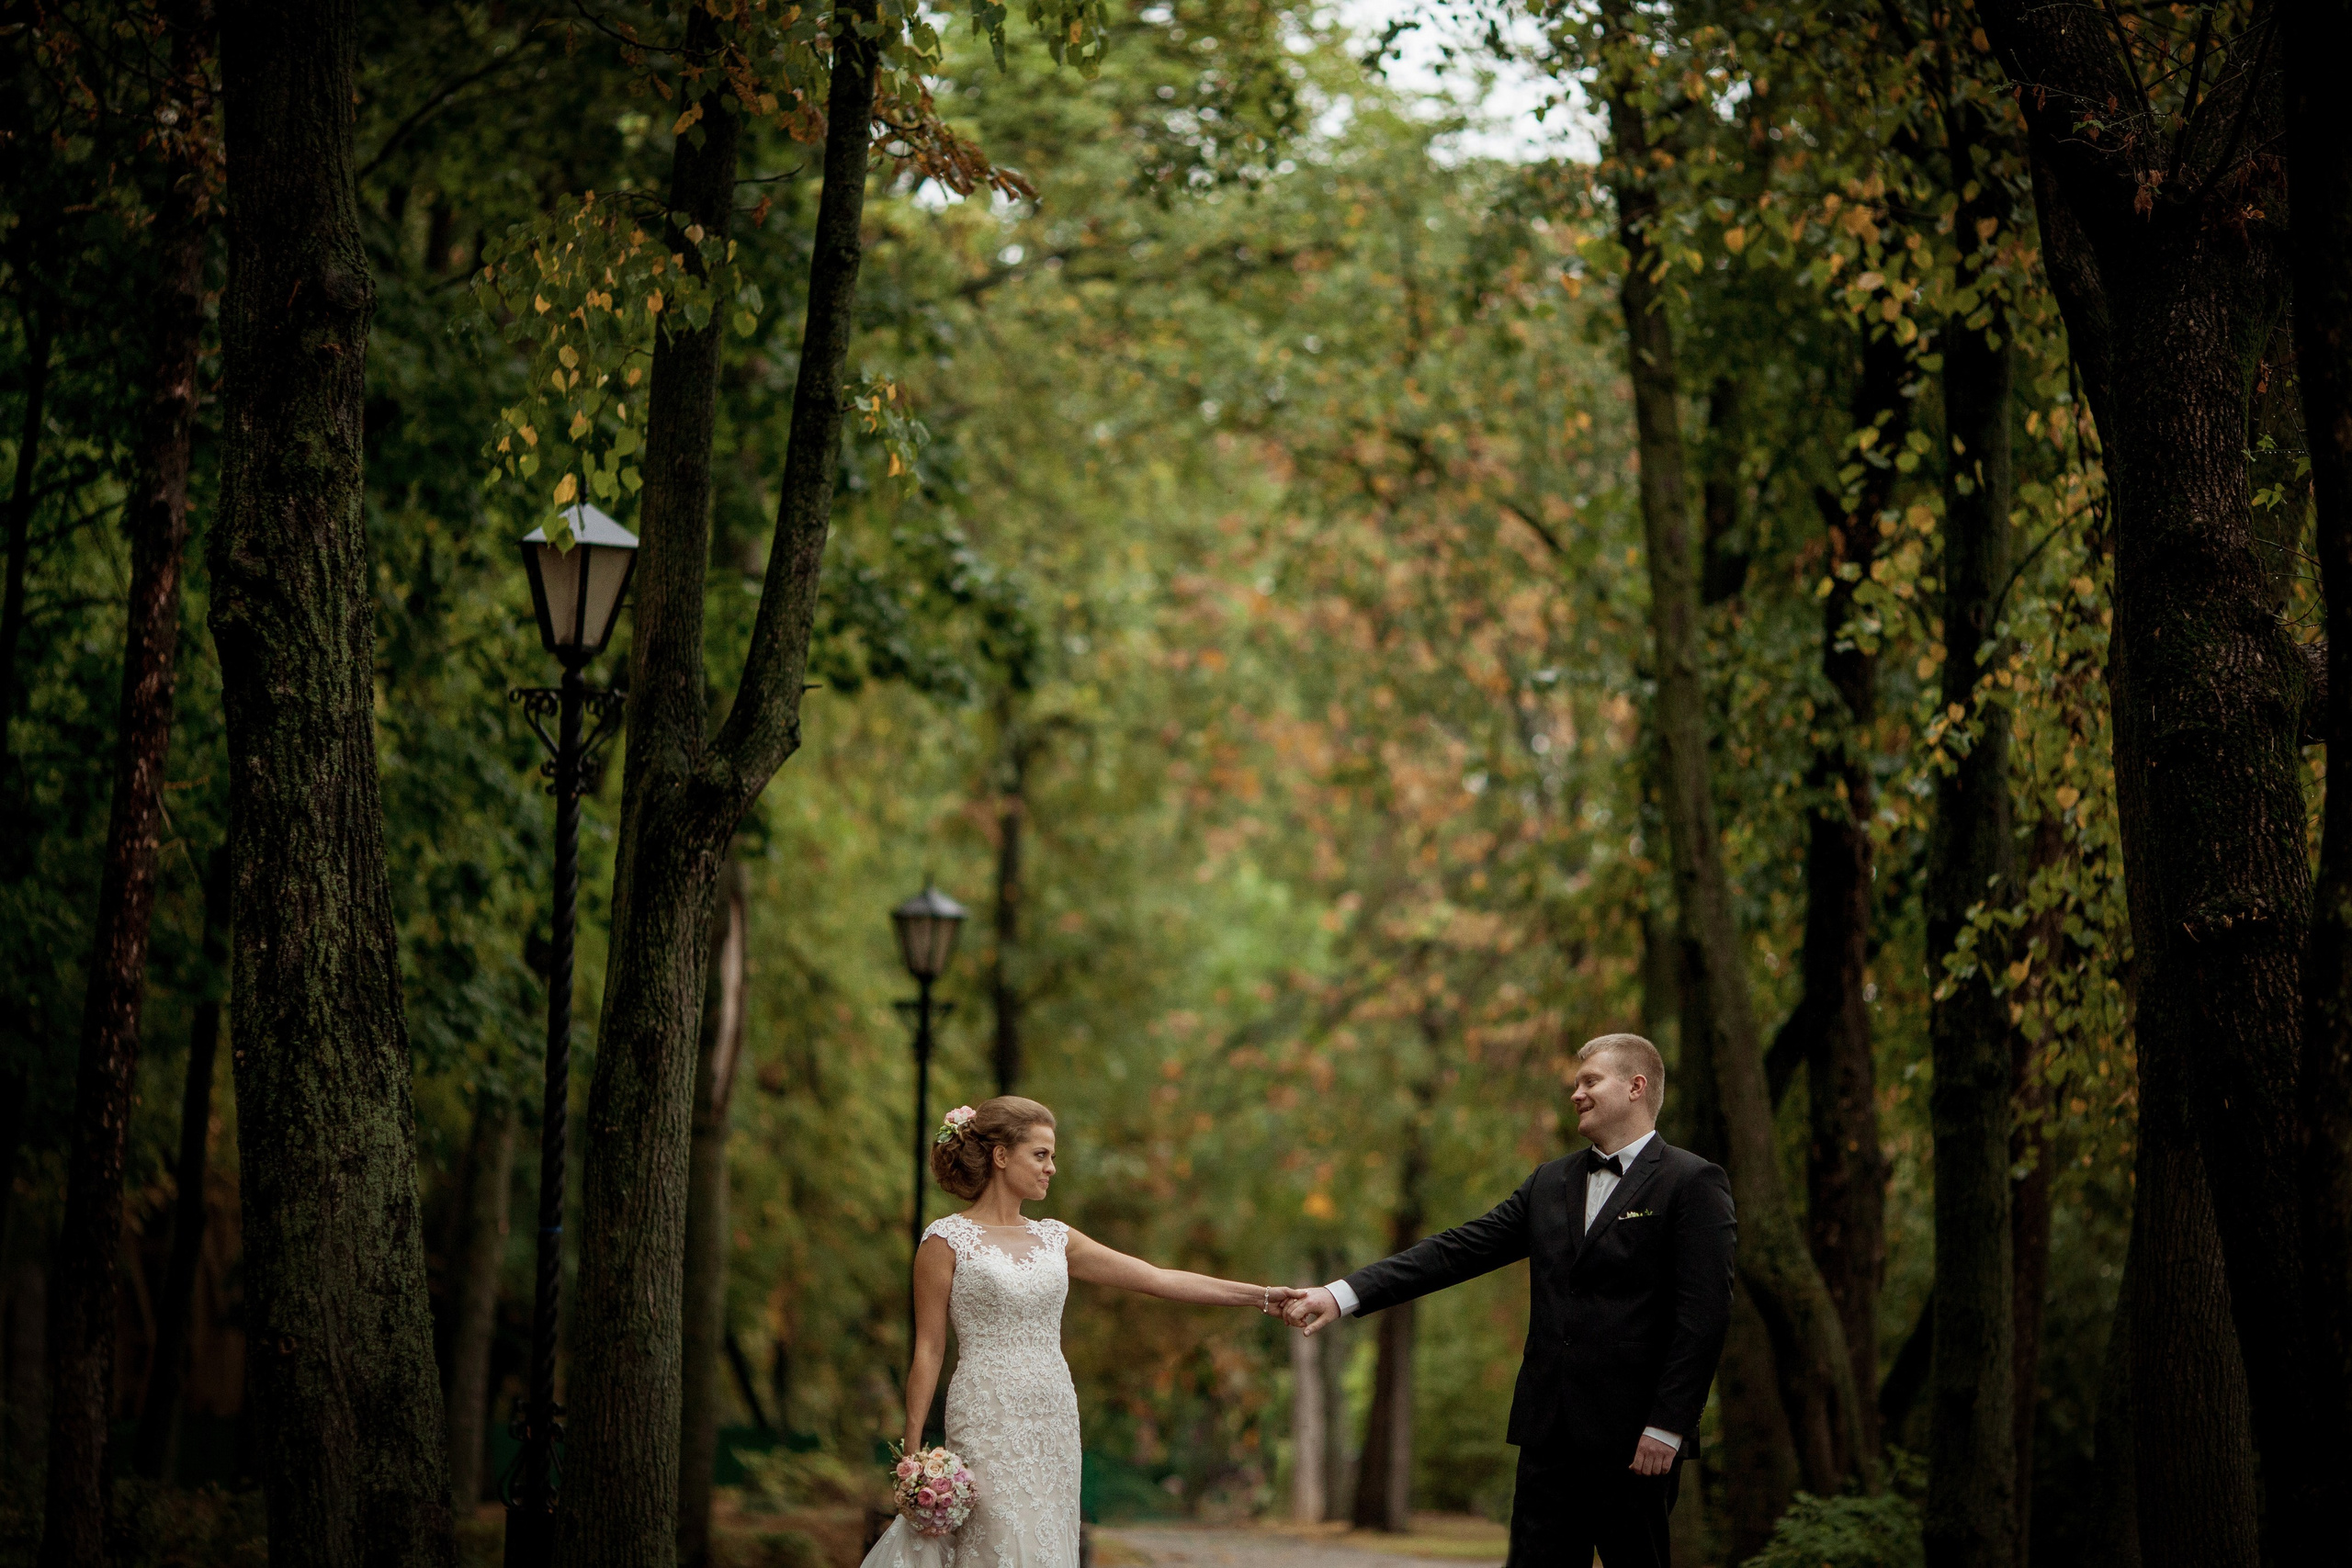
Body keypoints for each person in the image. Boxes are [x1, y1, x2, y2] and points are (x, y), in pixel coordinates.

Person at [1285, 1034, 1736, 1568]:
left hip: (1637, 1442)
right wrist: (1342, 1295)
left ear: (1637, 1087)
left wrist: (1668, 1425)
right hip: (1546, 1436)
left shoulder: (1691, 1182)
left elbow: (1703, 1318)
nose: (1576, 1093)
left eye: (1591, 1081)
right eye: (1576, 1083)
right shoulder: (1550, 1182)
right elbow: (1456, 1250)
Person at [861, 1095, 1298, 1568]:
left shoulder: (1056, 1239)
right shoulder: (945, 1241)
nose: (1052, 1168)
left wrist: (1262, 1296)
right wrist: (912, 1458)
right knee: (996, 1542)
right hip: (987, 1413)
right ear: (1001, 1156)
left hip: (1054, 1414)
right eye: (1041, 1155)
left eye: (1053, 1157)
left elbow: (1157, 1278)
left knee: (1048, 1541)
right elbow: (928, 1349)